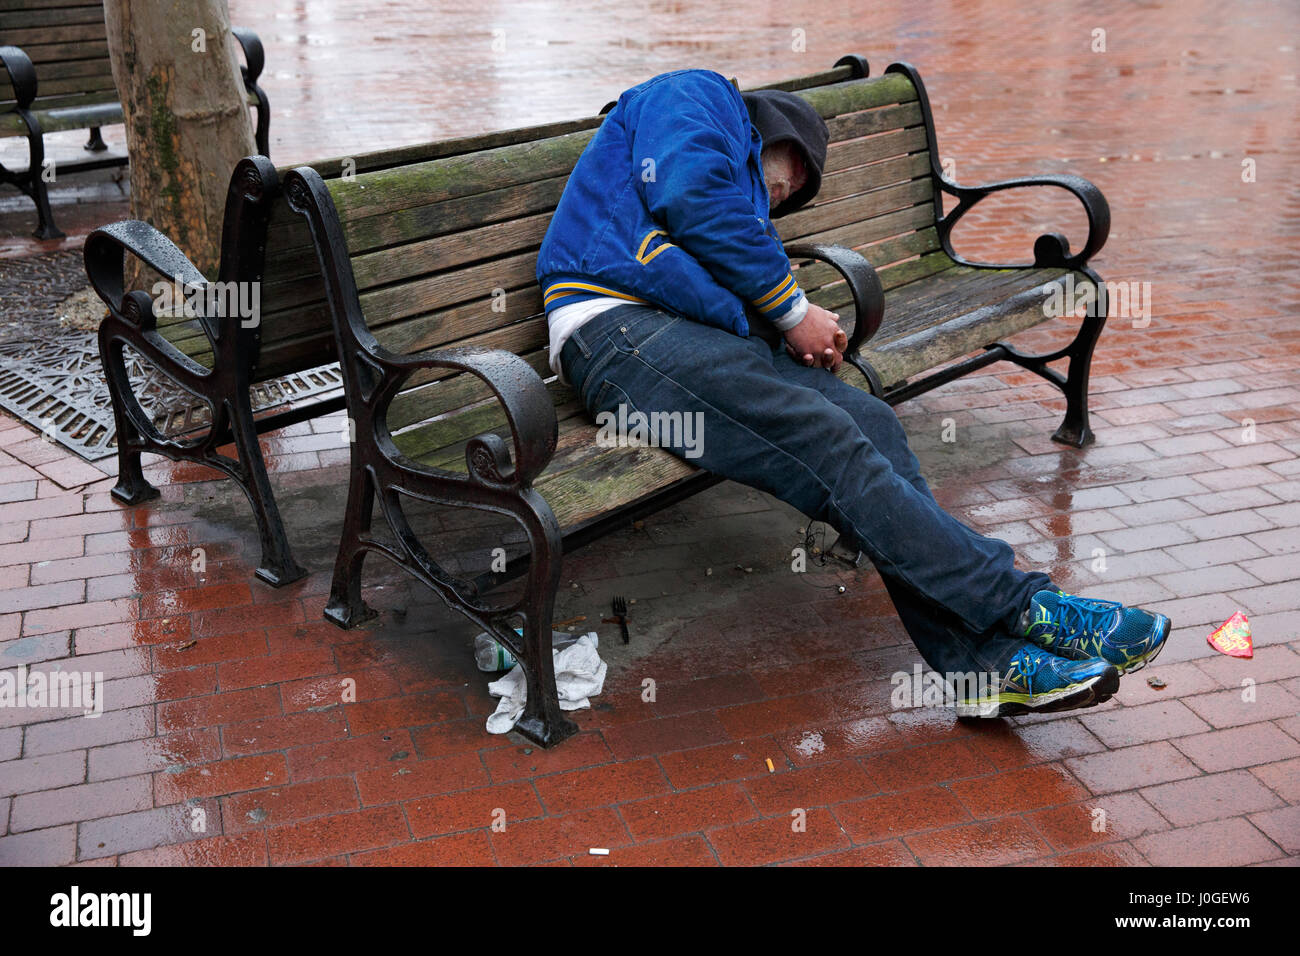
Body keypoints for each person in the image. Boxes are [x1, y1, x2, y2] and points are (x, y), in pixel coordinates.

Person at [536, 69, 1171, 716]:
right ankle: (1024, 604)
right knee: (825, 435)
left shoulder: (730, 167)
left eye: (789, 196)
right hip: (613, 330)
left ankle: (982, 669)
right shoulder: (697, 95)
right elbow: (692, 194)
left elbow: (706, 254)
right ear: (774, 132)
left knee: (871, 420)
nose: (782, 198)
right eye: (792, 180)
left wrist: (783, 333)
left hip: (683, 338)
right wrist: (791, 310)